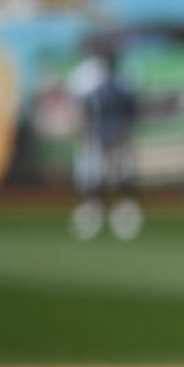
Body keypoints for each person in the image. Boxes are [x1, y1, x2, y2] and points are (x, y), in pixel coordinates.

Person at [67, 48, 143, 241]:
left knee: (122, 179)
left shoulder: (123, 84)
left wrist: (122, 133)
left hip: (118, 138)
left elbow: (131, 113)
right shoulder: (95, 86)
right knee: (92, 182)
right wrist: (86, 131)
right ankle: (92, 220)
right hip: (96, 138)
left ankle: (124, 220)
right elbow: (85, 113)